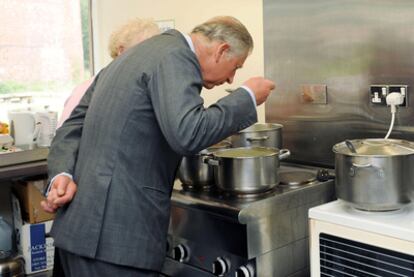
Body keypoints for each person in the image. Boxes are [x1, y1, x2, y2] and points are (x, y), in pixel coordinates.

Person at [42, 16, 275, 276]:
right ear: (221, 50)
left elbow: (72, 126)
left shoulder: (126, 60)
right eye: (236, 67)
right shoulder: (176, 55)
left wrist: (61, 174)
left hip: (76, 233)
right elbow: (188, 133)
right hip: (117, 241)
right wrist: (248, 97)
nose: (231, 79)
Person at [57, 18, 160, 128]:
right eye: (144, 50)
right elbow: (63, 137)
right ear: (121, 51)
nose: (151, 57)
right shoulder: (85, 90)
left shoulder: (149, 88)